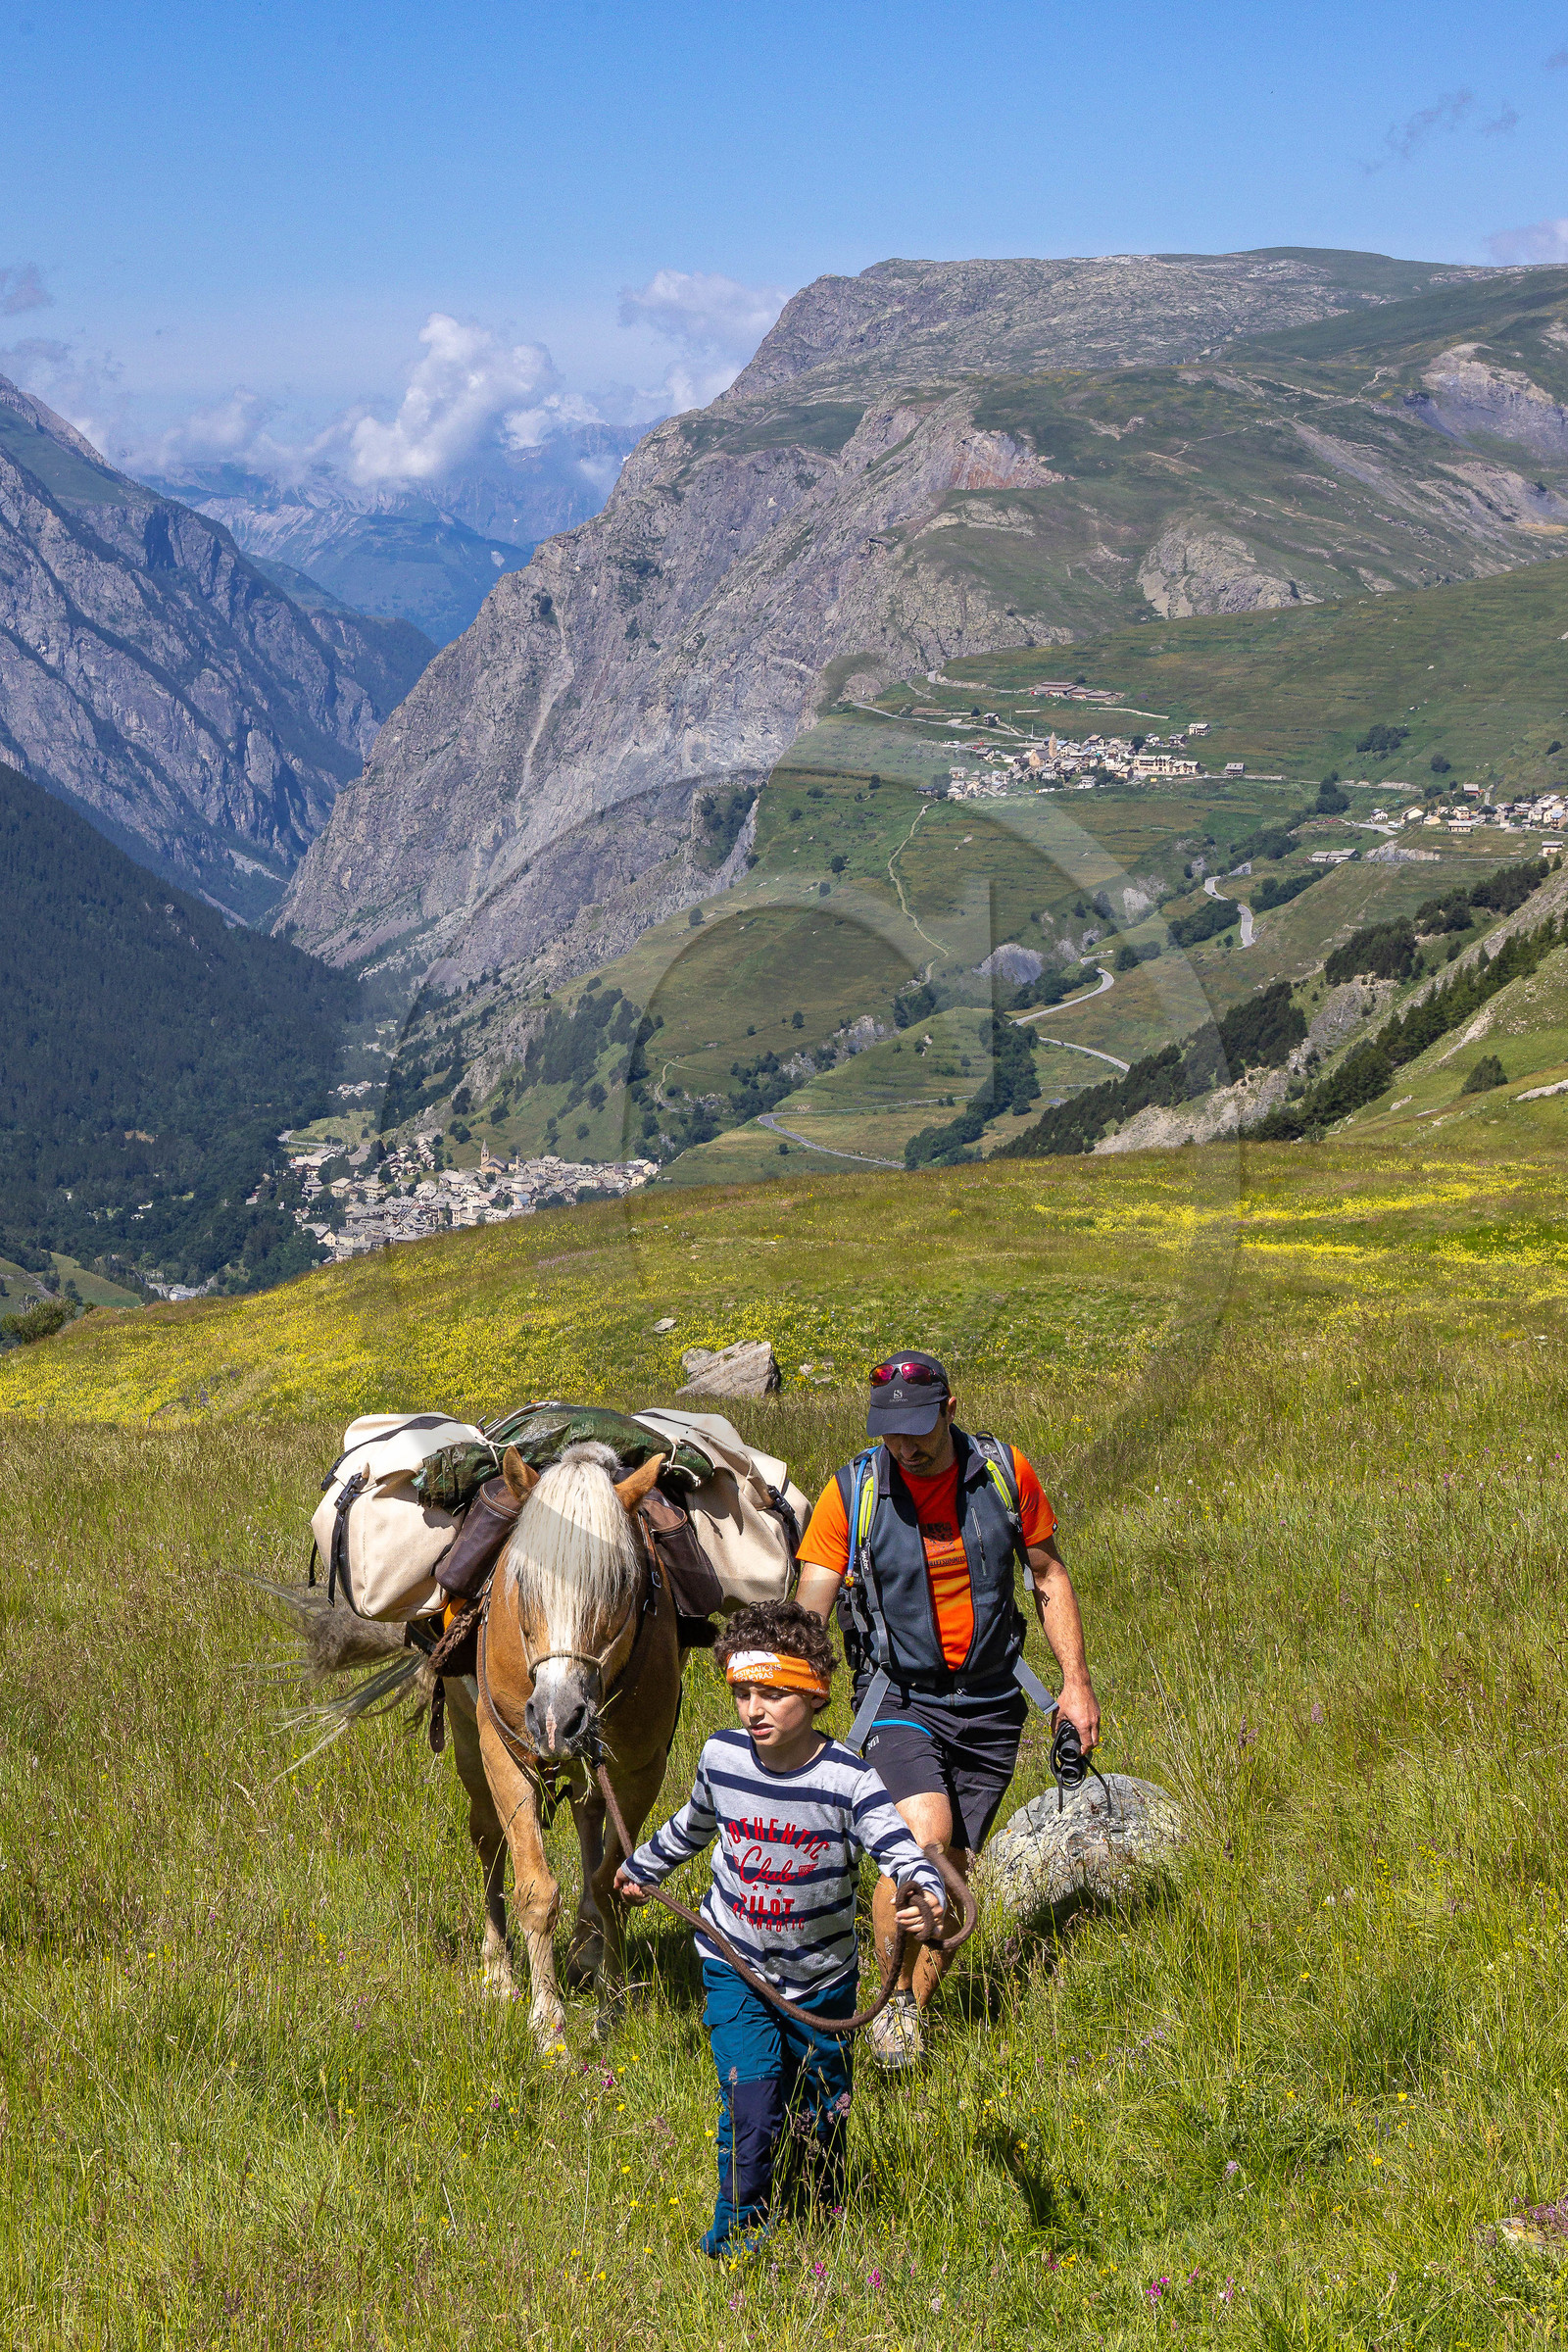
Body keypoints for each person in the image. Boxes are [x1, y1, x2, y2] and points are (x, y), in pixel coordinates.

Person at [794, 1351, 1100, 2071]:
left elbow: (1049, 1576)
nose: (905, 1447)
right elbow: (811, 1599)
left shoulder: (1003, 1472)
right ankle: (888, 2004)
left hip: (994, 1704)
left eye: (919, 1431)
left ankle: (909, 2014)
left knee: (954, 1882)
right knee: (922, 1839)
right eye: (890, 1433)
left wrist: (1075, 1684)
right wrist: (791, 1685)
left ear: (951, 1409)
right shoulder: (854, 1491)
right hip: (900, 1698)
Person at [613, 1596, 944, 2257]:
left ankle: (823, 2215)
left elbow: (900, 1848)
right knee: (752, 2104)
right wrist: (641, 1867)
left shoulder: (849, 1781)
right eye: (743, 1693)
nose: (754, 1710)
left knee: (822, 2112)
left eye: (772, 1693)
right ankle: (737, 2236)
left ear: (815, 1692)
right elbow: (694, 1825)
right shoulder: (722, 1758)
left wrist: (924, 1893)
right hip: (735, 1964)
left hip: (821, 1981)